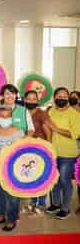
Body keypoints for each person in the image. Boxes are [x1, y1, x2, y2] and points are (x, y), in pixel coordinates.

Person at [45, 87, 80, 219]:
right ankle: (56, 204)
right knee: (55, 180)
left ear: (68, 98)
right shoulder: (51, 110)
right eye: (59, 95)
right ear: (54, 97)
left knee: (65, 180)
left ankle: (65, 208)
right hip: (52, 152)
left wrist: (56, 128)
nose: (62, 98)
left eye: (65, 96)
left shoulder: (75, 113)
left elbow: (75, 134)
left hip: (68, 154)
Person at [0, 106, 25, 232]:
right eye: (2, 116)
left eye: (7, 116)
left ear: (12, 118)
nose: (5, 119)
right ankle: (1, 215)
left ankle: (12, 219)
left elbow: (23, 152)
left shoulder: (19, 132)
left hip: (12, 169)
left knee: (12, 195)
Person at [22, 91, 52, 215]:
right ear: (25, 100)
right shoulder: (22, 112)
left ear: (37, 101)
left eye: (34, 99)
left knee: (42, 177)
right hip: (27, 150)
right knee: (32, 176)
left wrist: (49, 148)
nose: (31, 101)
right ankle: (33, 202)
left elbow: (48, 132)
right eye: (29, 99)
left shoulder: (42, 113)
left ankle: (42, 203)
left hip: (41, 149)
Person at [69, 90, 80, 214]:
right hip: (71, 148)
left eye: (75, 98)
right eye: (71, 97)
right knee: (76, 177)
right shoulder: (68, 112)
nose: (72, 99)